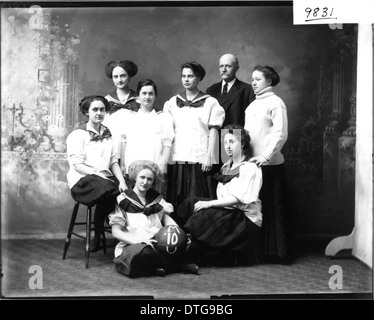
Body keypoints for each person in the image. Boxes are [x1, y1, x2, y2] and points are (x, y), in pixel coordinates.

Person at [176, 124, 263, 266]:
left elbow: (237, 199)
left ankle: (183, 253)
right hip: (229, 211)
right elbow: (222, 197)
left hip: (244, 219)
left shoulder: (249, 167)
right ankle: (174, 240)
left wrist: (209, 204)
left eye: (232, 142)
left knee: (204, 213)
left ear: (242, 144)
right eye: (225, 142)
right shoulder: (226, 167)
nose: (228, 146)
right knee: (191, 203)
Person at [109, 160, 199, 278]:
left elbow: (167, 220)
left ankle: (156, 268)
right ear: (135, 177)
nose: (145, 182)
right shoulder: (123, 199)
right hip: (134, 244)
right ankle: (177, 267)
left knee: (192, 245)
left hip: (157, 242)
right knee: (144, 253)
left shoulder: (156, 198)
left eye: (149, 179)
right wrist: (139, 241)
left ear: (153, 181)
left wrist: (180, 236)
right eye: (142, 177)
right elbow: (116, 232)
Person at [66, 95, 128, 252]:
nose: (99, 113)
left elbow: (114, 162)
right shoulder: (78, 135)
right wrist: (98, 174)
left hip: (104, 183)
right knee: (110, 189)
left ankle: (100, 232)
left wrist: (122, 181)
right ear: (87, 112)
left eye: (102, 109)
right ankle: (107, 229)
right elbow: (78, 165)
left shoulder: (109, 135)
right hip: (82, 181)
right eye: (95, 109)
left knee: (120, 189)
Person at [163, 61, 225, 210]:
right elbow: (167, 134)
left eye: (190, 76)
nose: (186, 79)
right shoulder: (172, 103)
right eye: (183, 76)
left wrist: (210, 157)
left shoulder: (210, 102)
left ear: (198, 78)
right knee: (177, 198)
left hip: (200, 159)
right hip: (178, 158)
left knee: (197, 197)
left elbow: (214, 131)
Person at [244, 65, 289, 263]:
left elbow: (280, 134)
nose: (253, 83)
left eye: (258, 79)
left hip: (271, 166)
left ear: (269, 82)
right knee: (255, 208)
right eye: (252, 79)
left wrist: (265, 156)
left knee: (273, 208)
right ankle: (258, 253)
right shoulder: (252, 105)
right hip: (252, 166)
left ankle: (278, 254)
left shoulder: (276, 103)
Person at [122, 79, 174, 196]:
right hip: (133, 167)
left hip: (155, 166)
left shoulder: (163, 117)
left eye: (151, 93)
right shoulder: (129, 117)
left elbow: (167, 143)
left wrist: (163, 164)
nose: (147, 97)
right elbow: (124, 142)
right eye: (144, 93)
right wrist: (123, 166)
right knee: (134, 202)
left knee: (155, 202)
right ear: (138, 96)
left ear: (155, 96)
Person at [102, 60, 140, 172]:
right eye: (116, 77)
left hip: (134, 146)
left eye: (123, 76)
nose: (119, 80)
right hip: (113, 148)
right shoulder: (106, 101)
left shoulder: (139, 100)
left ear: (129, 77)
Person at [206, 53, 255, 128]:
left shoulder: (248, 90)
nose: (224, 70)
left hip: (235, 135)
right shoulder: (211, 90)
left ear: (236, 68)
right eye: (221, 66)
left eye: (228, 66)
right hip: (214, 134)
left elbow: (252, 119)